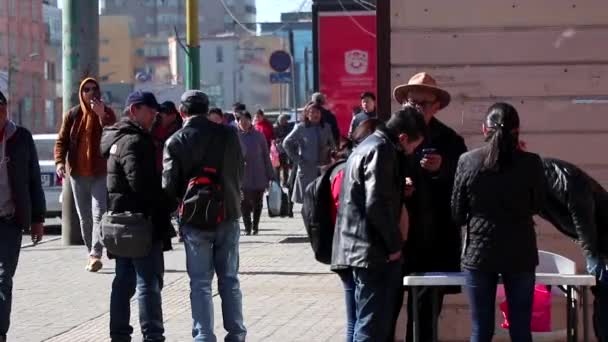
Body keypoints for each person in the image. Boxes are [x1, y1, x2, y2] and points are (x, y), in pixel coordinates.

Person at [451, 103, 546, 342]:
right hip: (520, 251)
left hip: (479, 253)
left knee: (481, 329)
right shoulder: (531, 162)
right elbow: (537, 205)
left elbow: (457, 212)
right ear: (517, 131)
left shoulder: (467, 161)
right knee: (521, 329)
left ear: (485, 129)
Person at [331, 108, 426, 342]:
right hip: (372, 252)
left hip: (357, 248)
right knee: (372, 326)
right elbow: (376, 204)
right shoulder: (382, 150)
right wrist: (394, 247)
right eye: (413, 146)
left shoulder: (367, 145)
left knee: (365, 322)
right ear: (403, 137)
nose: (412, 152)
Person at [163, 90, 246, 341]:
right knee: (229, 279)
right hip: (227, 212)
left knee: (200, 283)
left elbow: (169, 185)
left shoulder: (175, 141)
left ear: (182, 111)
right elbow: (239, 169)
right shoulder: (229, 135)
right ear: (208, 108)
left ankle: (204, 336)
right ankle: (236, 334)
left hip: (194, 218)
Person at [392, 72, 467, 341]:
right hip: (395, 238)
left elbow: (463, 186)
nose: (417, 109)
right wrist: (400, 185)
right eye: (412, 104)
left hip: (434, 239)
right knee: (385, 312)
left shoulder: (450, 140)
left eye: (424, 104)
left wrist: (441, 170)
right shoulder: (392, 135)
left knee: (426, 315)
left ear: (437, 106)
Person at [101, 91, 174, 342]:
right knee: (147, 283)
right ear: (134, 110)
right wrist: (166, 203)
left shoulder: (116, 138)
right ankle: (152, 335)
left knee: (123, 281)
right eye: (150, 110)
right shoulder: (134, 141)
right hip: (139, 222)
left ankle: (119, 334)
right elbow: (141, 184)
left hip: (120, 221)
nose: (155, 115)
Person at [527, 155, 608, 341]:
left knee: (605, 302)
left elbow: (583, 220)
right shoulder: (541, 189)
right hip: (599, 245)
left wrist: (592, 257)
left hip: (601, 246)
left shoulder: (562, 179)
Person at [55, 77, 116, 272]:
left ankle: (95, 253)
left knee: (100, 213)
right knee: (85, 217)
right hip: (77, 173)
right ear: (81, 94)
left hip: (100, 171)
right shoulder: (72, 115)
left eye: (94, 89)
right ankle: (91, 253)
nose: (90, 92)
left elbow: (113, 134)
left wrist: (101, 116)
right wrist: (59, 162)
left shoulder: (107, 113)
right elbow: (61, 141)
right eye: (86, 89)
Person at [0, 90, 45, 342]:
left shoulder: (21, 137)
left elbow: (33, 179)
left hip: (9, 220)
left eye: (2, 110)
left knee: (3, 278)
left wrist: (37, 219)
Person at [283, 102, 335, 204]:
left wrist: (332, 158)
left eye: (318, 112)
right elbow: (286, 143)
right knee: (307, 202)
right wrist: (298, 159)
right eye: (312, 112)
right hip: (306, 169)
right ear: (307, 114)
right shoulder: (301, 128)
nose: (316, 115)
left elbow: (332, 145)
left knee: (321, 200)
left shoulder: (326, 127)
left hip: (324, 169)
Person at [237, 112, 274, 235]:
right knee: (244, 202)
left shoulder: (259, 136)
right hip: (242, 175)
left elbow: (266, 156)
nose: (244, 123)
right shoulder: (235, 137)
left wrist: (271, 175)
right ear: (237, 122)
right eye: (241, 121)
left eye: (246, 120)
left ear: (250, 121)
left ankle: (255, 226)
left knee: (258, 202)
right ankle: (247, 227)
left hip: (259, 173)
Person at [152, 101, 182, 172]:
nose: (162, 115)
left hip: (170, 169)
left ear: (174, 115)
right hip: (153, 168)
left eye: (165, 113)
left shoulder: (179, 129)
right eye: (161, 113)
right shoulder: (152, 126)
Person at [272, 114, 293, 187]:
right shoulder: (275, 127)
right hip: (277, 150)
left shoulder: (288, 126)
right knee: (277, 167)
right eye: (283, 120)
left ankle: (285, 182)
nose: (284, 122)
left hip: (285, 149)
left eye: (285, 120)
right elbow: (273, 138)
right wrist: (279, 139)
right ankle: (277, 182)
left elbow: (290, 136)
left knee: (285, 166)